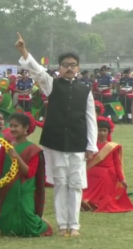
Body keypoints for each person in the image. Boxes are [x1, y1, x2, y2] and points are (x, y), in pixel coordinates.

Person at [16, 32, 97, 237]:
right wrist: (24, 51)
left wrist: (91, 146)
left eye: (73, 65)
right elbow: (38, 72)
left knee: (76, 184)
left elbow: (90, 119)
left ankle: (75, 226)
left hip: (78, 143)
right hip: (56, 142)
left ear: (78, 68)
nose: (69, 68)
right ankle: (63, 226)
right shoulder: (52, 85)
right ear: (59, 68)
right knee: (60, 183)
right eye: (65, 65)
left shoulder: (85, 90)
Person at [0, 113, 53, 237]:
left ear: (25, 128)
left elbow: (30, 173)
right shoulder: (5, 147)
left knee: (29, 227)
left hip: (24, 189)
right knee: (6, 229)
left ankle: (43, 224)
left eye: (16, 126)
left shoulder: (33, 149)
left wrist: (17, 157)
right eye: (11, 126)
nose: (13, 129)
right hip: (6, 189)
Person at [81, 116, 133, 213]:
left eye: (104, 131)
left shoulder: (112, 146)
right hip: (92, 171)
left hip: (108, 173)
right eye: (99, 130)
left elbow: (117, 164)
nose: (102, 133)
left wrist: (122, 179)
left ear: (109, 132)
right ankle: (87, 200)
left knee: (102, 174)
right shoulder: (90, 145)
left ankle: (91, 201)